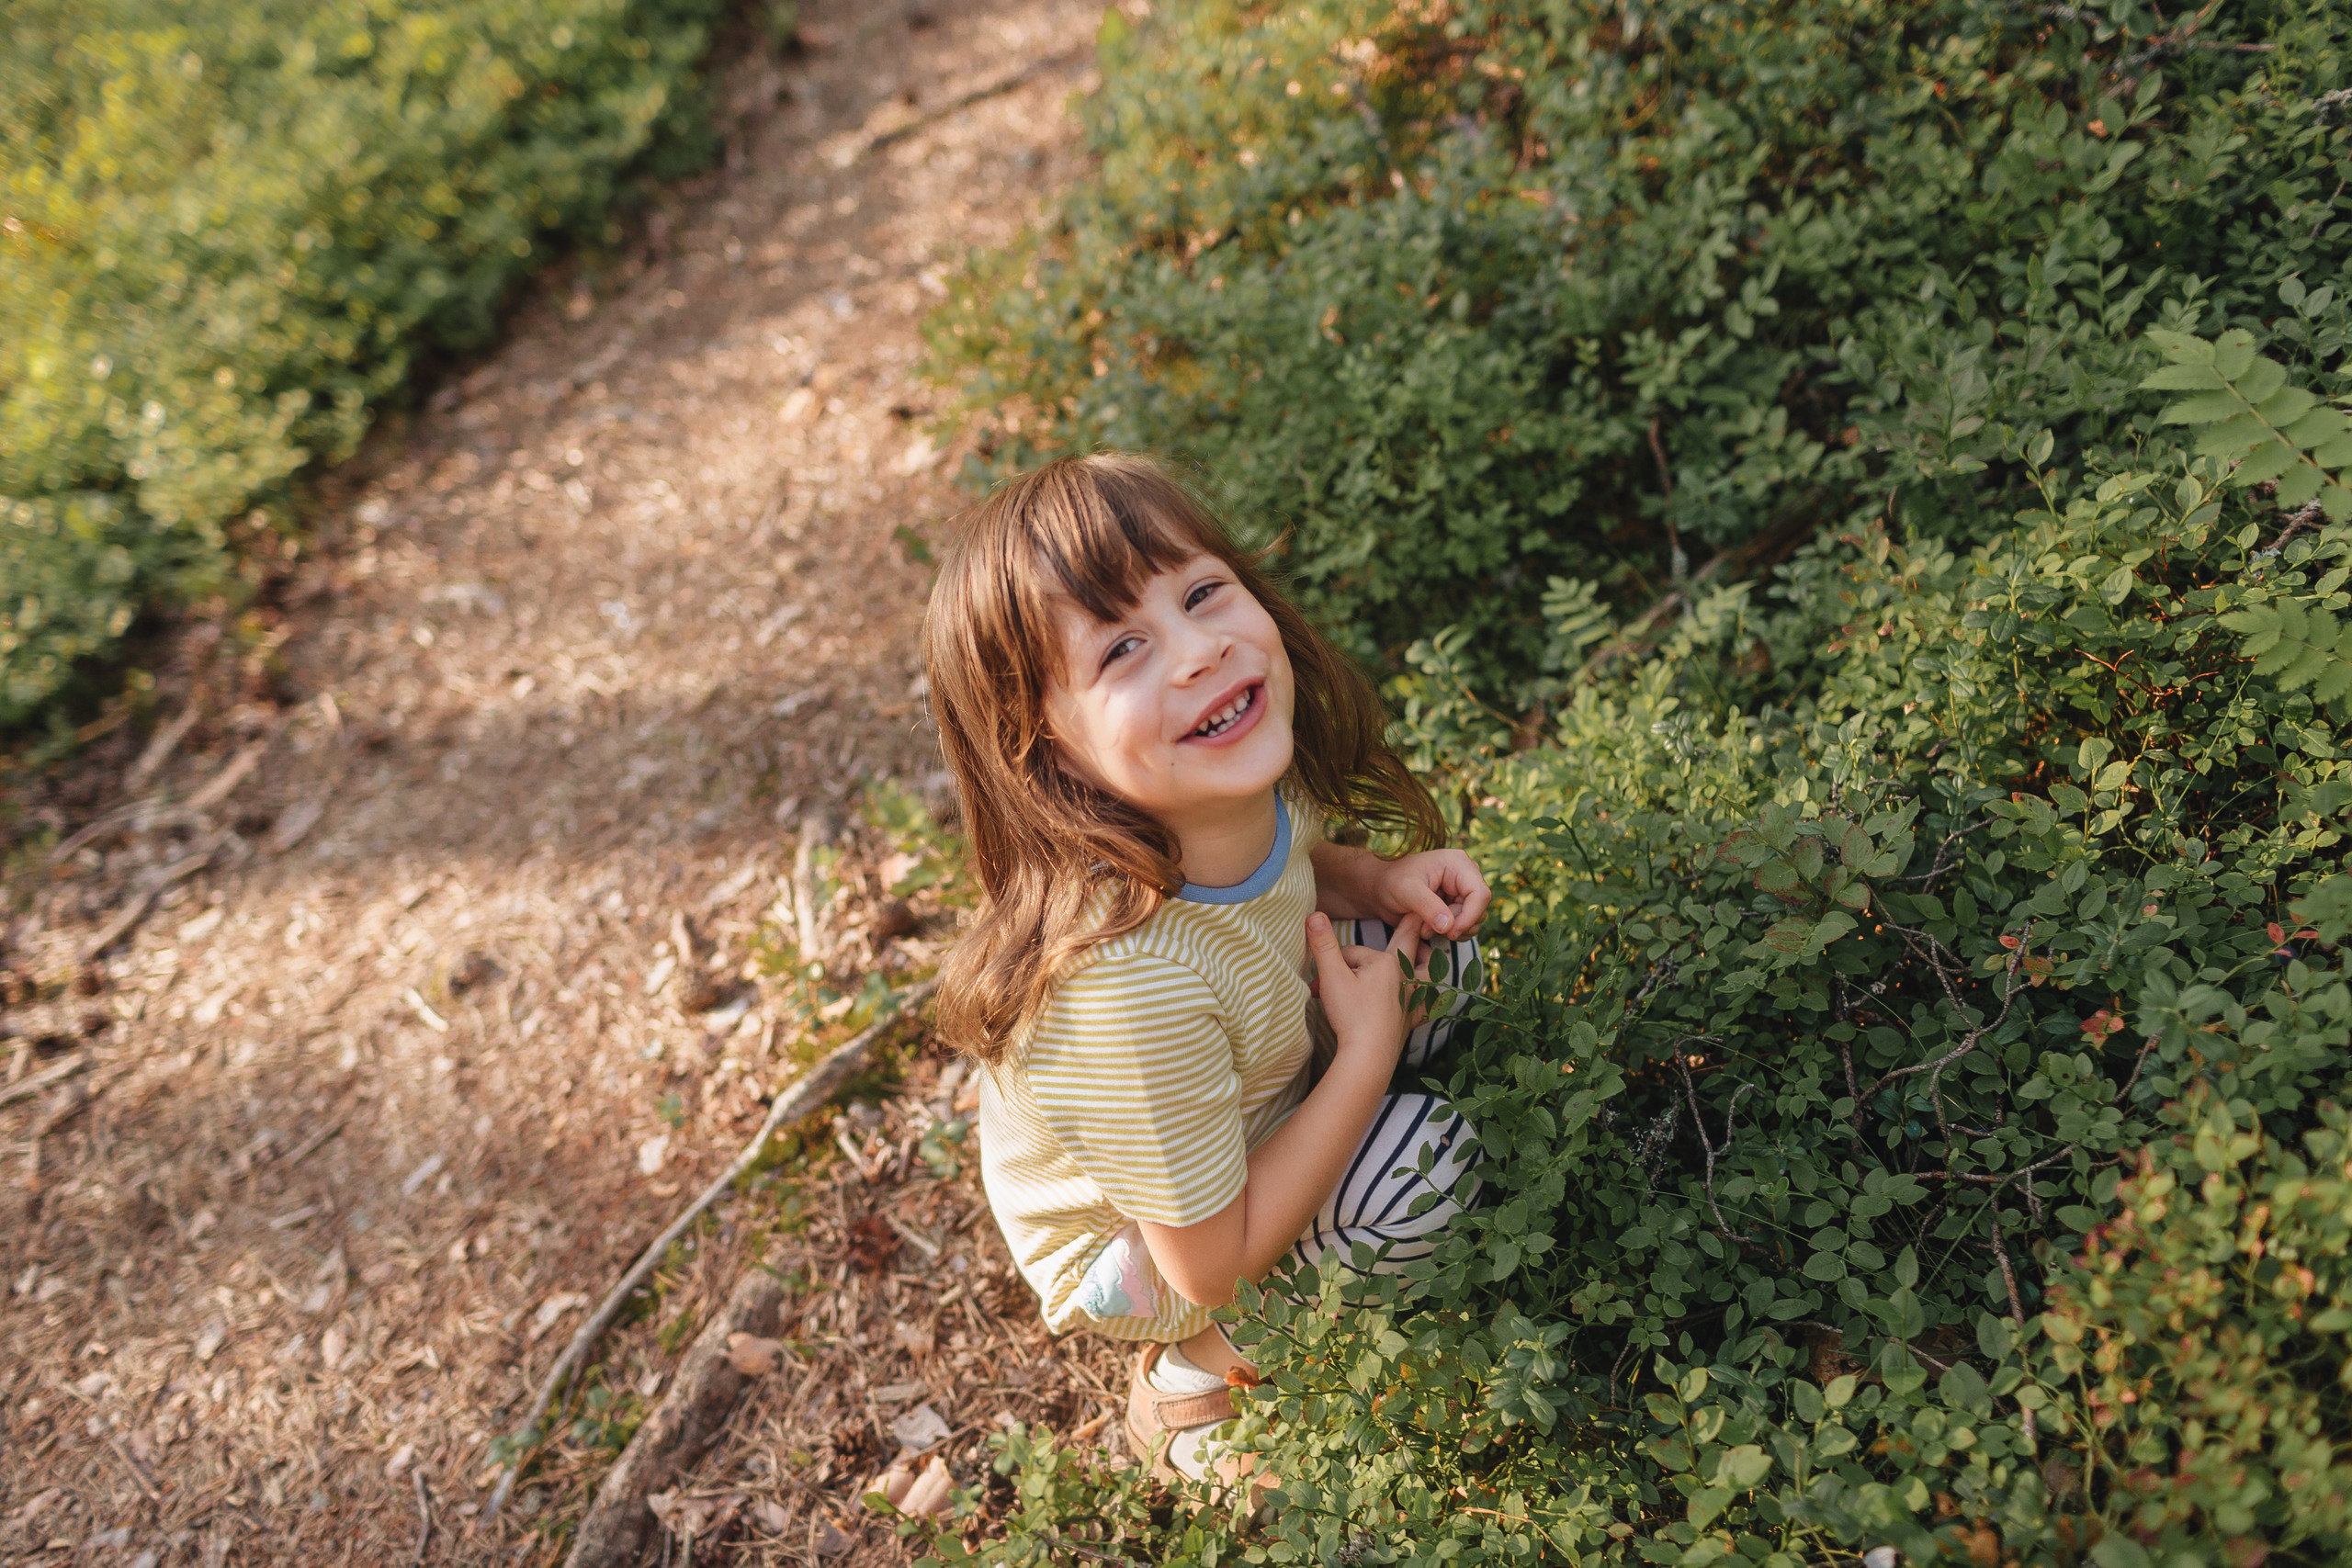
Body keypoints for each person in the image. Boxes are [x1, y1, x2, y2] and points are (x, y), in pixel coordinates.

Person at [922, 454, 1489, 1483]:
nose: (1198, 651)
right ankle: (1191, 1385)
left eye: (1200, 593)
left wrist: (1375, 881)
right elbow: (1209, 1262)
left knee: (1438, 959)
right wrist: (1363, 1060)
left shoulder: (1219, 784)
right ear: (1044, 749)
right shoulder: (1121, 991)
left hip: (1230, 1094)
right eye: (1123, 648)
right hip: (1153, 1246)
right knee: (1422, 1167)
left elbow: (1291, 868)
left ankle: (1335, 1139)